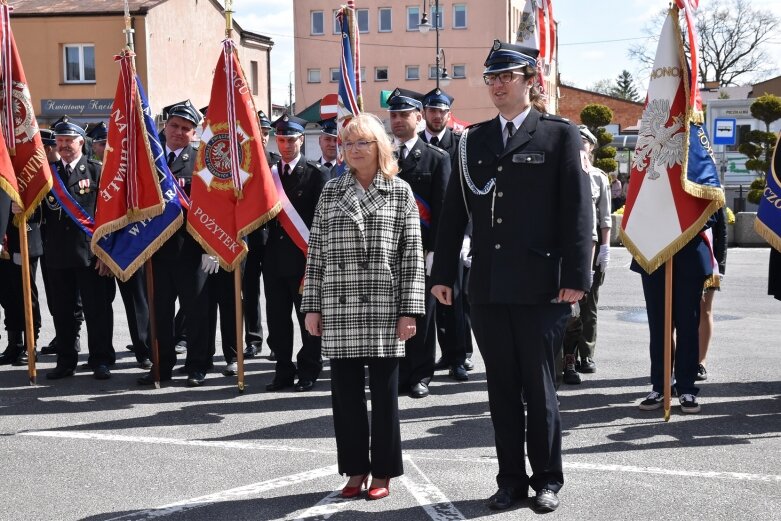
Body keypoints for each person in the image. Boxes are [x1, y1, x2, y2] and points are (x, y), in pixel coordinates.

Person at [430, 40, 593, 513]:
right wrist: (443, 273)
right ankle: (509, 480)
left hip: (543, 286)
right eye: (491, 78)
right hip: (487, 285)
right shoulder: (470, 140)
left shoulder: (559, 136)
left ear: (530, 80)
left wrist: (576, 276)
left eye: (507, 77)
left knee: (539, 386)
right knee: (500, 387)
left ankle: (547, 479)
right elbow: (454, 213)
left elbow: (577, 214)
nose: (497, 85)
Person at [302, 113, 425, 501]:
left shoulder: (400, 192)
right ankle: (355, 469)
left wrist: (410, 310)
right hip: (339, 307)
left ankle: (384, 472)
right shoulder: (331, 191)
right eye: (348, 143)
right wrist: (312, 306)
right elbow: (316, 252)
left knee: (386, 395)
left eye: (361, 143)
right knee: (346, 396)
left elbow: (412, 257)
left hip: (384, 306)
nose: (353, 150)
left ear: (379, 147)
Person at [137, 100, 214, 387]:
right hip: (156, 249)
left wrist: (211, 248)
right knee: (159, 314)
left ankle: (197, 365)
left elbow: (212, 206)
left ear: (194, 133)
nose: (178, 132)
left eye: (186, 128)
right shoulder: (151, 159)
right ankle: (162, 366)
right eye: (174, 126)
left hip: (192, 250)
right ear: (165, 126)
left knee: (196, 313)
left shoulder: (201, 162)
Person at [42, 119, 117, 380]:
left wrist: (106, 254)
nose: (63, 145)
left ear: (81, 142)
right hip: (57, 254)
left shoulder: (96, 171)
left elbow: (108, 217)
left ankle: (101, 360)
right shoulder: (46, 174)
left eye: (68, 141)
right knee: (63, 311)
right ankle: (66, 361)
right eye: (59, 141)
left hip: (90, 254)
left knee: (97, 309)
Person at [388, 87, 451, 398]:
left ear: (419, 117)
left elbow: (442, 209)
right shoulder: (383, 157)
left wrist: (436, 252)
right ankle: (395, 373)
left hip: (422, 250)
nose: (397, 120)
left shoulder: (436, 158)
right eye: (393, 115)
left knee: (421, 315)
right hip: (387, 252)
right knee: (391, 312)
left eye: (404, 115)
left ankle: (420, 374)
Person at [263, 114, 328, 392]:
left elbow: (322, 220)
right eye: (281, 140)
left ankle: (309, 369)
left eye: (291, 139)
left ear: (301, 139)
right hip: (273, 260)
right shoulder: (268, 174)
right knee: (277, 321)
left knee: (307, 321)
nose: (286, 145)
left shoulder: (316, 174)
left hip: (304, 260)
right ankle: (283, 371)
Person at [418, 87, 473, 380]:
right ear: (424, 113)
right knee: (429, 301)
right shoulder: (415, 146)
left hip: (453, 234)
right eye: (432, 110)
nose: (437, 116)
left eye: (441, 111)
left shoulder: (460, 144)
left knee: (456, 299)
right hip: (424, 235)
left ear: (448, 115)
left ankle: (458, 356)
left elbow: (469, 193)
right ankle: (437, 356)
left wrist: (467, 235)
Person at [561, 125, 612, 384]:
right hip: (566, 246)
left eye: (585, 142)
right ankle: (564, 357)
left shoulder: (598, 177)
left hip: (591, 247)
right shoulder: (561, 172)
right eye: (576, 140)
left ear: (592, 147)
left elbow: (604, 217)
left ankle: (586, 354)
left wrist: (605, 248)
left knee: (589, 305)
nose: (580, 145)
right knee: (568, 307)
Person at [242, 110, 278, 360]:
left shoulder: (276, 163)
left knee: (275, 294)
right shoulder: (242, 163)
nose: (262, 137)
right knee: (250, 291)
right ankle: (253, 340)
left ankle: (277, 341)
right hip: (249, 237)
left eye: (266, 133)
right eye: (259, 132)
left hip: (275, 238)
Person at [697, 206, 727, 381]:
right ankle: (675, 362)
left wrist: (720, 267)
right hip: (683, 260)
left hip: (710, 262)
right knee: (677, 314)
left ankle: (701, 362)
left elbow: (722, 231)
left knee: (705, 310)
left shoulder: (712, 185)